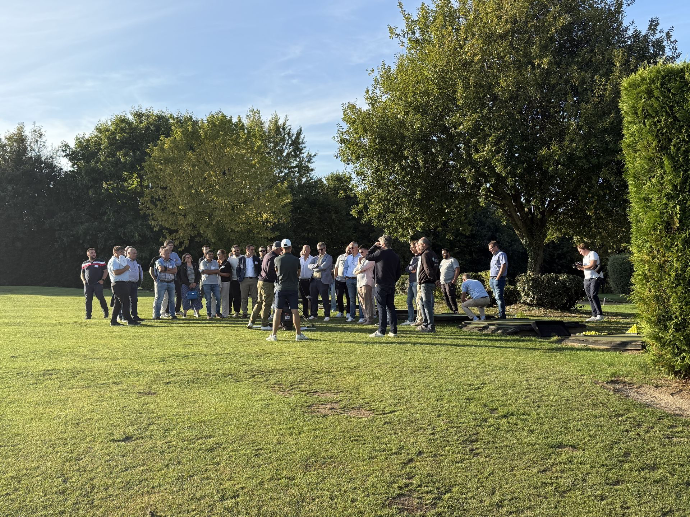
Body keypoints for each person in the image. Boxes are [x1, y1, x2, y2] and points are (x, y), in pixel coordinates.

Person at [266, 239, 309, 342]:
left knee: (277, 311)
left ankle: (274, 335)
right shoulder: (296, 260)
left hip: (281, 288)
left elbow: (277, 272)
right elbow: (298, 273)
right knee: (295, 311)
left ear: (282, 248)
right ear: (291, 248)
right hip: (293, 288)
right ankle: (298, 334)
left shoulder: (277, 259)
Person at [365, 235, 401, 337]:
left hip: (381, 283)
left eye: (380, 242)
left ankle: (381, 330)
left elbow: (368, 256)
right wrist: (393, 281)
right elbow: (398, 272)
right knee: (391, 307)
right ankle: (393, 330)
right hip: (391, 284)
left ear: (383, 243)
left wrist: (374, 246)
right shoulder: (395, 255)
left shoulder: (380, 253)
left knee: (381, 307)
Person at [248, 241, 282, 330]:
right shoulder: (273, 257)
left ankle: (251, 322)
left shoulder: (267, 255)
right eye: (281, 249)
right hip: (267, 282)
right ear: (277, 249)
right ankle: (264, 323)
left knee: (259, 302)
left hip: (260, 281)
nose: (281, 251)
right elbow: (270, 270)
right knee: (267, 303)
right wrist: (277, 277)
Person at [107, 246, 140, 326]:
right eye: (121, 252)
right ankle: (129, 320)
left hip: (121, 283)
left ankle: (113, 321)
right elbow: (116, 272)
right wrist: (126, 268)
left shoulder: (118, 260)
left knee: (118, 304)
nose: (123, 254)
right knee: (125, 302)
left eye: (123, 252)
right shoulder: (114, 261)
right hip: (119, 283)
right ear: (115, 252)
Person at [577, 243, 605, 322]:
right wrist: (580, 268)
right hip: (587, 278)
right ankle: (594, 315)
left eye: (580, 251)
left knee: (593, 295)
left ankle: (600, 314)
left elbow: (592, 265)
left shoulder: (592, 254)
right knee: (589, 296)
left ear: (584, 249)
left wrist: (582, 267)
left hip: (595, 277)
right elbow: (587, 268)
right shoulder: (584, 258)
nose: (580, 253)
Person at [417, 237, 440, 332]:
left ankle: (430, 326)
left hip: (426, 282)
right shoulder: (433, 254)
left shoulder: (425, 254)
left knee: (427, 304)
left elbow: (427, 268)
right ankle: (425, 323)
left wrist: (433, 279)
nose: (418, 246)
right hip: (431, 281)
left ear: (424, 245)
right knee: (422, 302)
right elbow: (437, 268)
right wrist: (437, 279)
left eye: (419, 245)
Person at [81, 248, 109, 320]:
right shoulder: (84, 263)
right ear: (88, 254)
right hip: (88, 284)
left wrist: (102, 280)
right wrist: (83, 280)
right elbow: (82, 273)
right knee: (88, 300)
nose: (93, 254)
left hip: (97, 284)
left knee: (100, 297)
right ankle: (88, 315)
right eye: (91, 253)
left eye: (94, 252)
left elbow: (105, 271)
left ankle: (106, 312)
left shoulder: (101, 262)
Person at [308, 242, 333, 321]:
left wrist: (315, 268)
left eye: (322, 249)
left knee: (325, 298)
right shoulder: (315, 258)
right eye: (319, 249)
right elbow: (309, 265)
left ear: (325, 248)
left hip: (323, 280)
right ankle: (314, 314)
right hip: (314, 279)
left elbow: (324, 266)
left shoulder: (329, 257)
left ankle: (327, 315)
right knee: (313, 298)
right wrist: (315, 266)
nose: (320, 251)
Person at [152, 245, 178, 320]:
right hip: (161, 282)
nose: (168, 254)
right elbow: (160, 269)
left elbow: (175, 270)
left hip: (171, 282)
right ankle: (157, 315)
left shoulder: (172, 261)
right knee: (159, 299)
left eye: (168, 253)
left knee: (172, 299)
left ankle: (172, 314)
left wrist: (165, 270)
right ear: (162, 254)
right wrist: (170, 270)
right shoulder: (159, 261)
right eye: (166, 253)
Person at [353, 246, 375, 325]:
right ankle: (365, 317)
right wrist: (359, 270)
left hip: (366, 282)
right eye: (359, 252)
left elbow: (362, 268)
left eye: (362, 252)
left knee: (367, 301)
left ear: (367, 251)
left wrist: (359, 265)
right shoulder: (362, 260)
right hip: (359, 283)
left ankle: (370, 318)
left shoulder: (370, 259)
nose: (361, 254)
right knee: (362, 301)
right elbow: (354, 271)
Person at [238, 244, 260, 318]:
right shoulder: (241, 259)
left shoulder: (256, 258)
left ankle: (254, 313)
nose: (253, 251)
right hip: (244, 280)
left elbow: (259, 269)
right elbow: (238, 269)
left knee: (255, 297)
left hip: (254, 279)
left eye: (253, 249)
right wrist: (239, 278)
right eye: (251, 249)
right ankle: (244, 312)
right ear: (247, 250)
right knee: (244, 297)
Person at [401, 240, 419, 326]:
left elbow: (414, 268)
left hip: (416, 281)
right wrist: (410, 269)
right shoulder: (413, 258)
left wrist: (411, 268)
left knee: (417, 301)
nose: (410, 249)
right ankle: (410, 319)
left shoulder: (420, 257)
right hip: (411, 281)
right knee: (409, 301)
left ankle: (419, 318)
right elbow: (407, 268)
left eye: (412, 247)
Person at [488, 241, 508, 319]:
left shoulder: (501, 254)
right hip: (492, 278)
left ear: (496, 247)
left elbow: (503, 265)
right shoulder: (494, 256)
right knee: (496, 297)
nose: (490, 250)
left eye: (491, 248)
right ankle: (500, 313)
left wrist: (498, 277)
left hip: (499, 279)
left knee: (499, 297)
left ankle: (502, 315)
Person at [199, 249, 221, 319]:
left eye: (212, 254)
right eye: (209, 254)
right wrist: (213, 271)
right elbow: (204, 271)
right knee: (208, 299)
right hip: (206, 283)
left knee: (218, 298)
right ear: (206, 255)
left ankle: (218, 313)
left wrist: (209, 271)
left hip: (215, 283)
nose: (211, 256)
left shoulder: (215, 262)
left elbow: (217, 271)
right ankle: (209, 314)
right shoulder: (203, 262)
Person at [124, 247, 144, 322]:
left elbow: (140, 271)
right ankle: (125, 316)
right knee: (126, 300)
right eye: (134, 253)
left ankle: (134, 315)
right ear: (128, 253)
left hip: (134, 283)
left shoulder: (136, 262)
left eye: (136, 253)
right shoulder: (124, 261)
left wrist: (140, 280)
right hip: (127, 283)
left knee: (134, 300)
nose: (135, 254)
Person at [343, 241, 361, 322]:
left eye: (352, 248)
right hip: (349, 279)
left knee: (360, 298)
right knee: (351, 299)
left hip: (358, 279)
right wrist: (345, 276)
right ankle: (352, 316)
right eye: (350, 248)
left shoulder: (360, 256)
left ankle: (361, 317)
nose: (351, 249)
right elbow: (345, 267)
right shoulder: (349, 257)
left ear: (357, 248)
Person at [179, 253, 202, 318]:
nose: (189, 258)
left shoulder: (195, 265)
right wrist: (189, 284)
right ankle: (185, 313)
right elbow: (182, 276)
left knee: (196, 297)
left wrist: (195, 282)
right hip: (186, 284)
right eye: (187, 257)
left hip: (195, 284)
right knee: (185, 298)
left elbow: (198, 274)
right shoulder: (183, 266)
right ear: (184, 259)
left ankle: (197, 312)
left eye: (190, 257)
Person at [163, 240, 183, 315]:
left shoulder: (175, 254)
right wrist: (173, 262)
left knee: (179, 293)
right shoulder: (163, 254)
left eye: (172, 245)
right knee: (168, 295)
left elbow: (179, 262)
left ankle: (177, 309)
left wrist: (172, 262)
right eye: (169, 245)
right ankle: (167, 311)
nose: (171, 247)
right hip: (167, 277)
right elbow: (165, 264)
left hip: (175, 276)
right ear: (165, 246)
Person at [439, 248, 461, 313]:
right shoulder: (442, 261)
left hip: (449, 281)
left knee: (451, 295)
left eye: (444, 253)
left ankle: (455, 310)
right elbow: (440, 271)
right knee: (445, 296)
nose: (443, 255)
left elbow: (457, 269)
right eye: (442, 254)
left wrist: (454, 279)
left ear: (448, 253)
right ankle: (451, 310)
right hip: (442, 282)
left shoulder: (453, 260)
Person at [333, 246, 350, 318]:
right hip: (339, 279)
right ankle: (341, 311)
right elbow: (336, 267)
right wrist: (335, 276)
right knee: (339, 295)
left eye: (351, 249)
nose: (349, 250)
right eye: (348, 248)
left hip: (348, 279)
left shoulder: (353, 257)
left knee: (349, 296)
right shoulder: (341, 257)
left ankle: (349, 312)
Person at [299, 245, 316, 319]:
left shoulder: (313, 259)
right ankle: (305, 314)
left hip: (310, 280)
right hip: (301, 280)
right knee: (304, 298)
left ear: (309, 250)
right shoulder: (300, 259)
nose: (305, 252)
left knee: (311, 297)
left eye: (307, 250)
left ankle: (313, 313)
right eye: (304, 250)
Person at [217, 249, 231, 319]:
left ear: (223, 255)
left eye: (219, 254)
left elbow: (228, 274)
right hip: (217, 282)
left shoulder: (227, 263)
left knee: (224, 298)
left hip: (225, 282)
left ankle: (225, 314)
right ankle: (216, 313)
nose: (218, 255)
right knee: (216, 298)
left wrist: (219, 273)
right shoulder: (216, 263)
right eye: (217, 254)